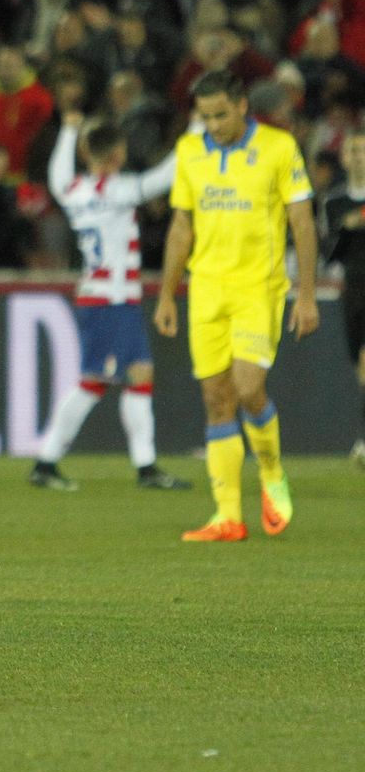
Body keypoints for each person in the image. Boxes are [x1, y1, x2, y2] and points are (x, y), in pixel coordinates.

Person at [154, 71, 319, 542]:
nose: (213, 125)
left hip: (257, 288)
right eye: (205, 117)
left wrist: (306, 294)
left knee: (248, 389)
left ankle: (271, 470)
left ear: (243, 105)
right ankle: (227, 515)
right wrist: (167, 293)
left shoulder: (278, 147)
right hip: (206, 290)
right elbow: (181, 226)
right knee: (216, 398)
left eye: (221, 115)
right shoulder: (190, 151)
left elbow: (302, 222)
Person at [30, 111, 190, 491]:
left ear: (87, 154)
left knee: (115, 378)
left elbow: (56, 176)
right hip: (112, 300)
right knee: (106, 380)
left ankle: (135, 466)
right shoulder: (116, 191)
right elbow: (162, 177)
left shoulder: (74, 190)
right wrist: (195, 136)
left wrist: (68, 131)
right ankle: (57, 462)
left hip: (100, 297)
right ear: (118, 155)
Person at [318, 130, 365, 469]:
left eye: (363, 150)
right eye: (353, 150)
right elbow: (330, 254)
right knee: (359, 367)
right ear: (344, 157)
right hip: (354, 292)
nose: (359, 156)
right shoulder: (334, 203)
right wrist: (348, 228)